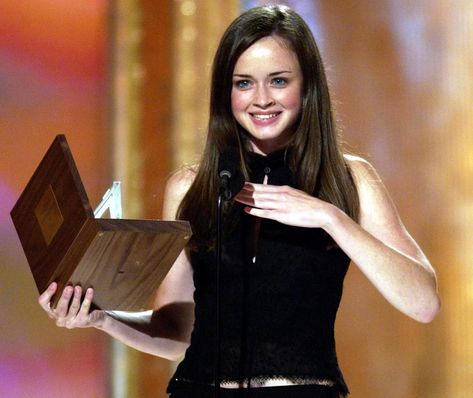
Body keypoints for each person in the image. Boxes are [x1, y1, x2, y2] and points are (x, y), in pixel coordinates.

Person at [38, 5, 440, 398]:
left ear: (308, 86)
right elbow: (176, 330)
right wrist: (103, 318)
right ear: (225, 92)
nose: (261, 99)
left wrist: (331, 217)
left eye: (279, 81)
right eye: (244, 83)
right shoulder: (190, 186)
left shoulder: (347, 180)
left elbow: (423, 302)